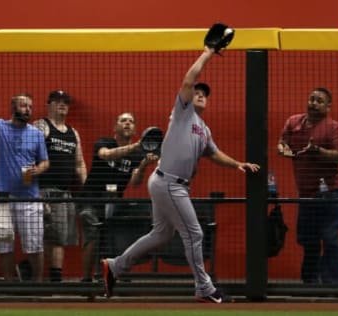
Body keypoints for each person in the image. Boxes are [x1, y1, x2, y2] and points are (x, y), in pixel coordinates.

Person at [101, 46, 260, 303]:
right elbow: (189, 79)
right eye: (196, 92)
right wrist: (208, 52)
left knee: (161, 234)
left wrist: (237, 164)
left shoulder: (203, 129)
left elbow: (214, 154)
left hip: (170, 184)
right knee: (194, 234)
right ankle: (205, 289)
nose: (199, 95)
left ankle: (115, 265)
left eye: (203, 94)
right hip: (169, 182)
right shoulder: (183, 113)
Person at [277, 87, 338, 284]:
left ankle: (334, 285)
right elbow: (281, 142)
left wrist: (318, 151)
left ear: (328, 106)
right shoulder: (293, 122)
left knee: (330, 237)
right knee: (308, 239)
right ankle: (309, 284)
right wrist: (284, 150)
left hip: (332, 192)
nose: (314, 103)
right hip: (306, 193)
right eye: (312, 99)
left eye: (319, 101)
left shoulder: (334, 128)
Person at [79, 112, 159, 282]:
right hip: (90, 199)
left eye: (131, 121)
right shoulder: (104, 142)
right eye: (123, 120)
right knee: (92, 233)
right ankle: (86, 280)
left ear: (135, 128)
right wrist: (138, 145)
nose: (127, 123)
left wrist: (144, 164)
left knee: (116, 236)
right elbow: (106, 155)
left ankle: (111, 275)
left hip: (114, 204)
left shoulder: (137, 155)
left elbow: (135, 182)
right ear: (115, 127)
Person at [0, 93, 49, 282]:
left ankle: (37, 283)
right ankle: (9, 283)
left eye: (30, 106)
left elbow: (45, 162)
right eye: (23, 106)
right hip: (4, 197)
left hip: (30, 197)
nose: (28, 110)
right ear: (13, 108)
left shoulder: (36, 134)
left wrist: (38, 169)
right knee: (4, 245)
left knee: (34, 246)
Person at [33, 90, 87, 282]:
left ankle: (53, 277)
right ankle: (51, 279)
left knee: (62, 238)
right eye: (57, 101)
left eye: (65, 102)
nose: (62, 104)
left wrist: (87, 190)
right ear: (49, 105)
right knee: (51, 236)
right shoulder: (41, 126)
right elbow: (30, 156)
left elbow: (79, 164)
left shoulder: (73, 133)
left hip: (65, 193)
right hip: (45, 191)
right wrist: (35, 193)